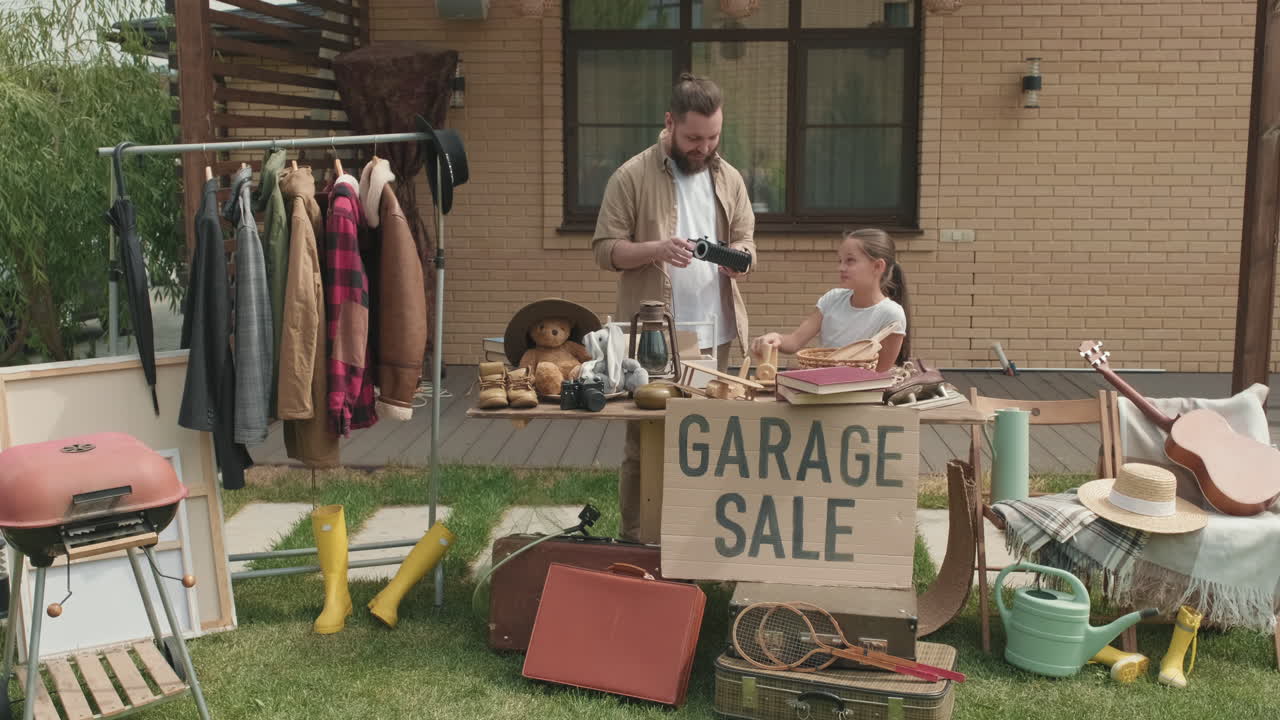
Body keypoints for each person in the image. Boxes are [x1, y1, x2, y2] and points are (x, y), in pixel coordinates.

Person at [592, 72, 757, 542]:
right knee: (645, 441)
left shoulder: (730, 178)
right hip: (653, 337)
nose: (704, 148)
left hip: (715, 333)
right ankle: (637, 537)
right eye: (693, 138)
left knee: (708, 443)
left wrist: (740, 260)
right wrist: (656, 249)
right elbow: (604, 250)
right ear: (670, 122)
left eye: (713, 137)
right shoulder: (631, 175)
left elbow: (747, 240)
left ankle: (699, 540)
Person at [752, 228, 909, 374]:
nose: (841, 268)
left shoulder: (891, 314)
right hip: (821, 387)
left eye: (850, 261)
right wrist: (776, 339)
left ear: (877, 266)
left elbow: (879, 374)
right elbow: (794, 342)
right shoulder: (832, 299)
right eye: (840, 261)